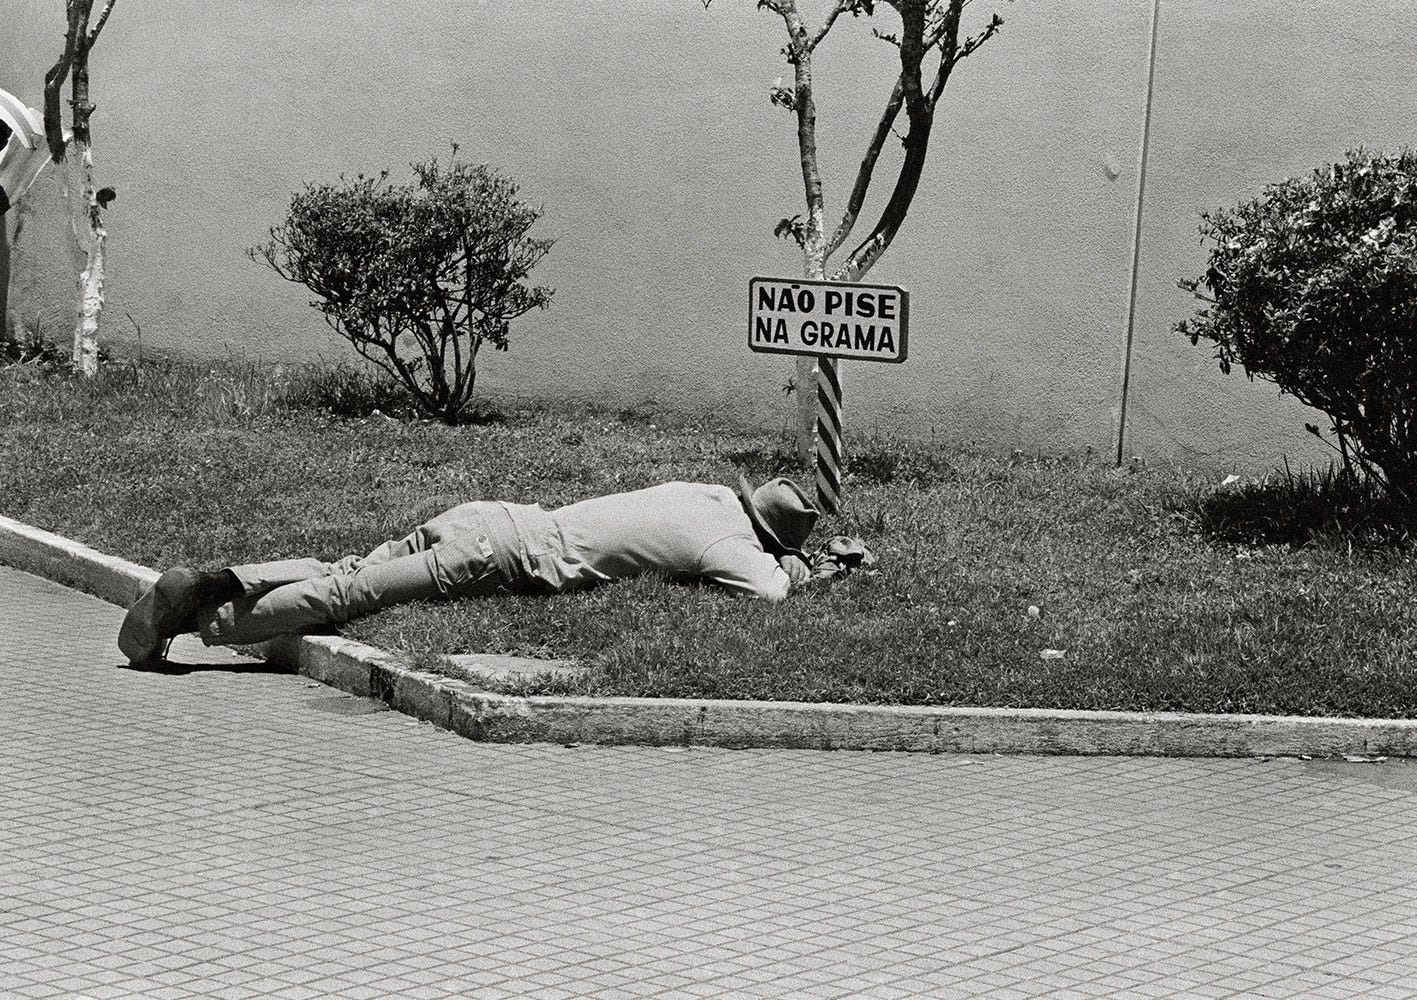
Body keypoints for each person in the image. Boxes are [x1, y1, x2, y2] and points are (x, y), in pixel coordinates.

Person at [117, 475, 823, 663]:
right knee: (351, 592)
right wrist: (794, 566)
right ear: (766, 534)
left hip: (487, 516)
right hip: (499, 557)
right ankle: (208, 617)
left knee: (352, 564)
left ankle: (227, 577)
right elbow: (768, 592)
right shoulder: (732, 547)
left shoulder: (701, 494)